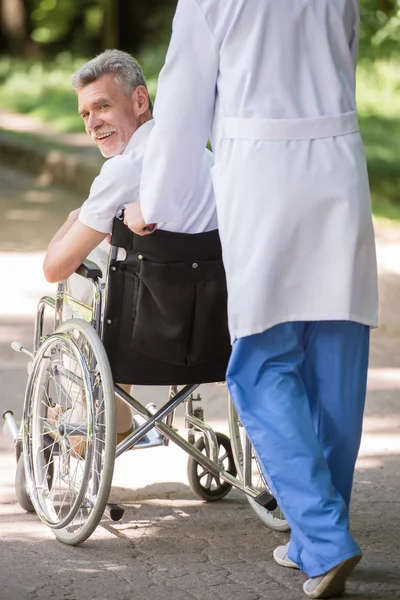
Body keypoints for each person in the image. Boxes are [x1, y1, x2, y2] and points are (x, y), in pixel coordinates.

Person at [123, 1, 379, 598]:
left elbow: (183, 114)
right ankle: (319, 532)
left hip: (266, 177)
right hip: (339, 164)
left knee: (263, 363)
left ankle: (323, 538)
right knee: (336, 360)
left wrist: (152, 204)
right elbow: (346, 62)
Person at [43, 49, 217, 443]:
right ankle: (119, 418)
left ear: (140, 100)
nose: (93, 124)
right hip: (212, 334)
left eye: (102, 106)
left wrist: (75, 218)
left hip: (146, 337)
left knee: (84, 273)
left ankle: (105, 417)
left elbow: (54, 267)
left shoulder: (125, 169)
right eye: (85, 114)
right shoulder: (205, 161)